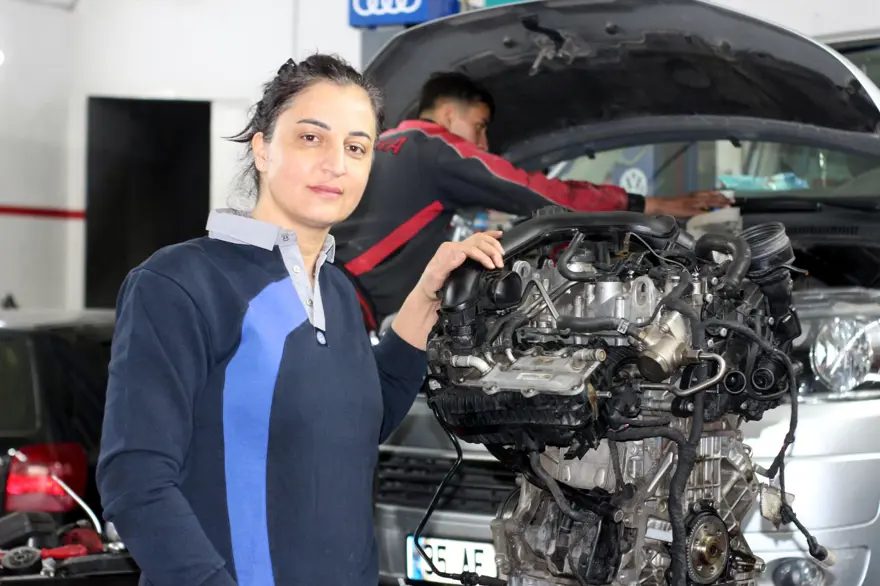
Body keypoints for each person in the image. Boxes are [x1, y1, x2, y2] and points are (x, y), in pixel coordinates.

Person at [95, 55, 505, 586]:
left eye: (356, 147)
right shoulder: (179, 282)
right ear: (262, 148)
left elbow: (357, 422)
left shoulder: (336, 289)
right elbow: (135, 481)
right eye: (312, 138)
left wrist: (429, 293)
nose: (337, 164)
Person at [332, 71, 731, 328]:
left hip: (334, 284)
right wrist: (649, 206)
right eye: (480, 126)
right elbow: (539, 192)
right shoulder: (436, 148)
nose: (483, 142)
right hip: (348, 300)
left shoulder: (387, 142)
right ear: (450, 114)